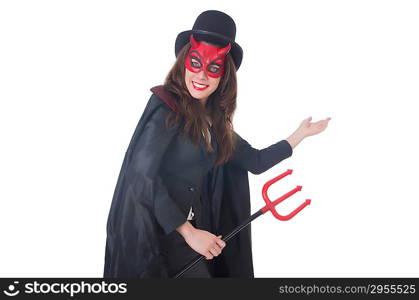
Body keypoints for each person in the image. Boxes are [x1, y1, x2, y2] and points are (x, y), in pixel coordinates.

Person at [103, 10, 331, 278]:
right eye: (196, 62)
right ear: (184, 62)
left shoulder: (216, 126)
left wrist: (299, 135)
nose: (201, 76)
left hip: (183, 240)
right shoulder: (166, 106)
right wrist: (189, 233)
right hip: (151, 238)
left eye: (213, 68)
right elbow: (142, 174)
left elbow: (255, 161)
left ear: (224, 75)